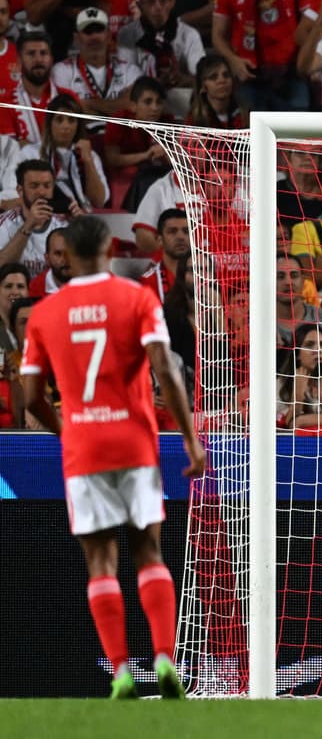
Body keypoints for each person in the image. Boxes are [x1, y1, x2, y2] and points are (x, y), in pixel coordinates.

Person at [19, 215, 205, 699]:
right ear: (107, 247)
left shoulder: (44, 313)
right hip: (134, 440)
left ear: (68, 256)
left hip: (84, 445)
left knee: (101, 561)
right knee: (148, 550)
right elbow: (165, 368)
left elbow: (30, 394)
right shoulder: (137, 298)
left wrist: (66, 429)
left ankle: (121, 670)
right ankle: (165, 657)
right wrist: (188, 438)